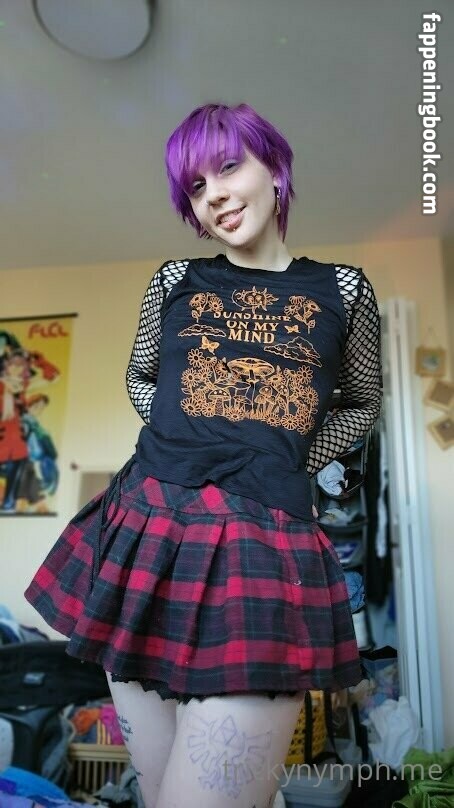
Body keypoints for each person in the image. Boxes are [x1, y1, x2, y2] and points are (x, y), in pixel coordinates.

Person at [25, 102, 382, 808]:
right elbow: (141, 376)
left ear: (274, 168)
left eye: (227, 167)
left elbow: (362, 401)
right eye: (194, 186)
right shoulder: (174, 281)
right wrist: (186, 434)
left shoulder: (344, 289)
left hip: (261, 546)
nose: (213, 194)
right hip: (147, 531)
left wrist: (291, 456)